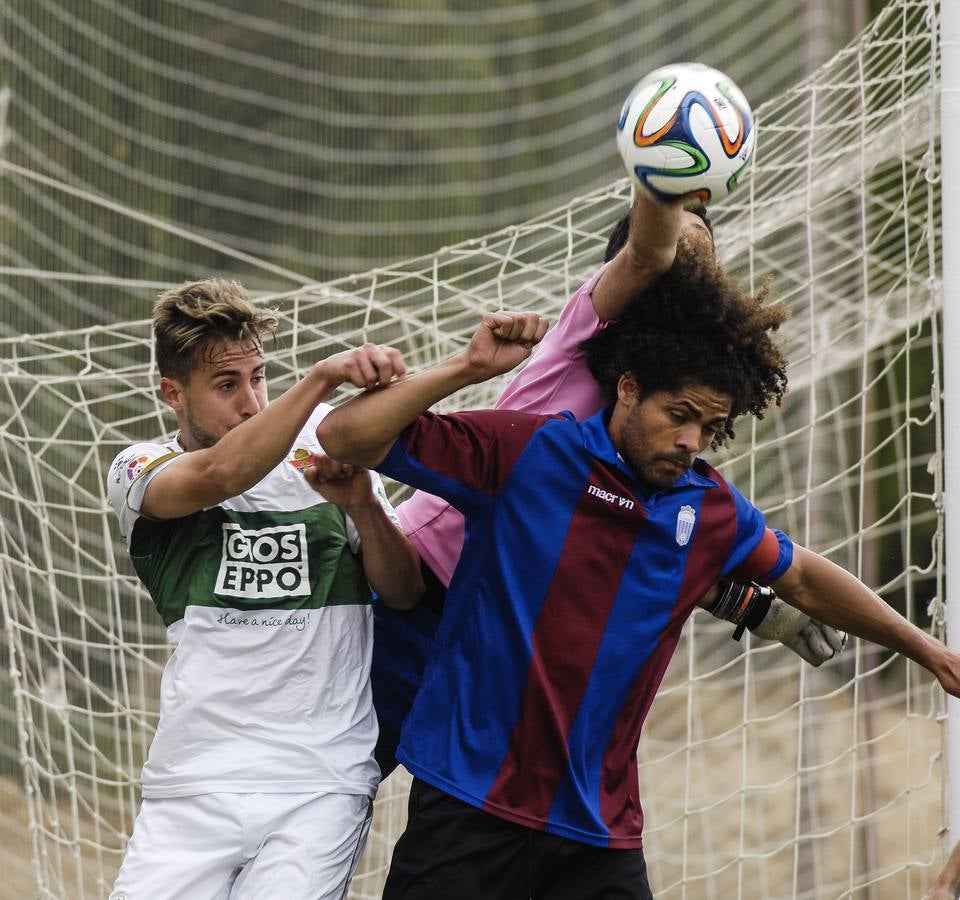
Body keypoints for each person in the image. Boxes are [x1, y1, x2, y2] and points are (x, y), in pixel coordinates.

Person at [315, 245, 960, 899]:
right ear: (627, 387)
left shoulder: (709, 510)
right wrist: (468, 367)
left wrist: (927, 649)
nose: (690, 442)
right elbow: (345, 437)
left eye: (710, 427)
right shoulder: (531, 450)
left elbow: (802, 577)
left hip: (596, 834)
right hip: (465, 805)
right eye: (678, 416)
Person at [364, 190, 845, 777]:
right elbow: (647, 254)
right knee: (336, 784)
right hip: (415, 595)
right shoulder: (583, 335)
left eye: (706, 249)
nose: (692, 256)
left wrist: (745, 601)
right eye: (677, 237)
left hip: (498, 634)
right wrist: (662, 168)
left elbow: (622, 539)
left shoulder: (673, 409)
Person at [106, 280, 423, 900]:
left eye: (260, 378)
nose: (252, 401)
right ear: (173, 393)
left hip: (319, 781)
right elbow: (222, 473)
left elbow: (407, 593)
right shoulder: (137, 469)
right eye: (228, 385)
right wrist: (323, 380)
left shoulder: (325, 460)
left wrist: (362, 507)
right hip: (192, 782)